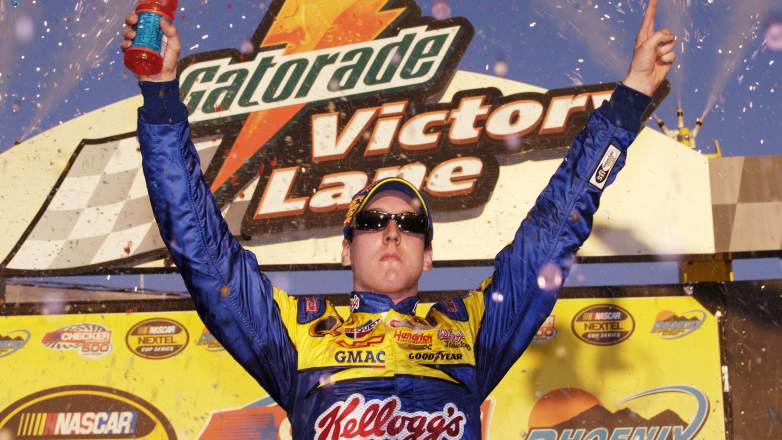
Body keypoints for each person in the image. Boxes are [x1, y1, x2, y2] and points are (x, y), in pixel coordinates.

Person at [122, 1, 675, 438]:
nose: (392, 231)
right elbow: (198, 242)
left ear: (429, 255)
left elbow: (554, 227)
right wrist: (161, 95)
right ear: (347, 248)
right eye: (374, 221)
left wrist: (629, 101)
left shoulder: (472, 328)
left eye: (411, 226)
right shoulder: (294, 333)